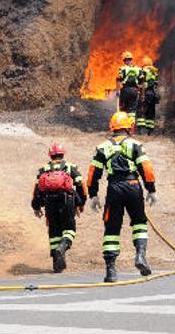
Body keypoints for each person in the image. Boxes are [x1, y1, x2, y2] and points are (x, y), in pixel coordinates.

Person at [88, 111, 158, 282]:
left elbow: (93, 173)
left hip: (114, 188)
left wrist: (93, 195)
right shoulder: (136, 145)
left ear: (112, 128)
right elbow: (146, 169)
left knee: (111, 229)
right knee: (139, 223)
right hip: (133, 186)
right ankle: (140, 256)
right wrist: (151, 189)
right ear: (129, 127)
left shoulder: (102, 147)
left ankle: (111, 271)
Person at [31, 143, 87, 273]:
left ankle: (57, 265)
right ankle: (62, 247)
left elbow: (37, 190)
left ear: (50, 154)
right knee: (69, 229)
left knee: (54, 232)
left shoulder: (43, 169)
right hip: (66, 201)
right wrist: (80, 203)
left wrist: (36, 206)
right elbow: (81, 185)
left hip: (49, 202)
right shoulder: (70, 167)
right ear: (63, 154)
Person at [116, 51, 142, 124]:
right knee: (132, 111)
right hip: (134, 91)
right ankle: (131, 128)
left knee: (123, 108)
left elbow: (118, 79)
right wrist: (140, 91)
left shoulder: (122, 69)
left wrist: (118, 91)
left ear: (124, 60)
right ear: (131, 59)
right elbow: (141, 81)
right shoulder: (138, 69)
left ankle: (123, 126)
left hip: (125, 91)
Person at [136, 56, 160, 135]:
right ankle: (150, 130)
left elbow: (143, 83)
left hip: (145, 93)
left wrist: (142, 95)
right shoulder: (154, 71)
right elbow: (156, 84)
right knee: (151, 111)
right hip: (152, 94)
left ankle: (141, 130)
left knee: (141, 110)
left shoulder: (143, 71)